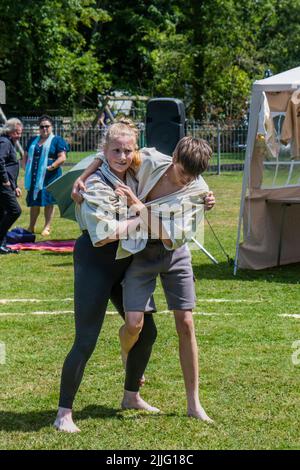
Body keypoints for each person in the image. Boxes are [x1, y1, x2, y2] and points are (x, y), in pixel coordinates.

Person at [73, 136, 215, 422]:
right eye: (184, 173)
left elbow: (169, 237)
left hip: (174, 252)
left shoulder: (198, 188)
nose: (188, 181)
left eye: (195, 176)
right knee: (134, 324)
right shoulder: (149, 159)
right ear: (173, 157)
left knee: (186, 322)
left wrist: (138, 204)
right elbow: (112, 155)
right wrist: (84, 177)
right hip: (140, 250)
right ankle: (127, 353)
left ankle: (193, 403)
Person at [54, 120, 158, 433]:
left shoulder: (138, 170)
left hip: (126, 264)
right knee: (85, 340)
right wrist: (144, 217)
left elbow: (177, 165)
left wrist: (204, 194)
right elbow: (103, 236)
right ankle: (63, 414)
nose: (123, 156)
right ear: (104, 150)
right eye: (116, 150)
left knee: (147, 331)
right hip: (95, 263)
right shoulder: (93, 185)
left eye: (128, 150)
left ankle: (131, 396)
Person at [23, 115, 68, 236]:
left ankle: (47, 227)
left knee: (48, 201)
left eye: (47, 126)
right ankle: (31, 226)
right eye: (42, 126)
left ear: (52, 127)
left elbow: (62, 157)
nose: (44, 129)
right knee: (34, 201)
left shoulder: (57, 140)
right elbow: (25, 155)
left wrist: (52, 166)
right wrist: (25, 167)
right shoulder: (33, 140)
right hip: (34, 175)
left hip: (50, 175)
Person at [0, 118, 23, 255]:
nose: (19, 136)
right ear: (11, 131)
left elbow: (9, 166)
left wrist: (15, 187)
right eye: (18, 133)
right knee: (15, 211)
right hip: (2, 185)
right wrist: (5, 181)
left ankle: (1, 245)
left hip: (7, 185)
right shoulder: (5, 142)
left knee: (2, 213)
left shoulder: (8, 142)